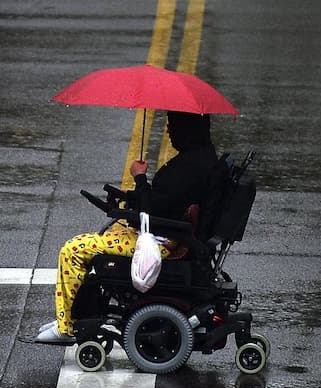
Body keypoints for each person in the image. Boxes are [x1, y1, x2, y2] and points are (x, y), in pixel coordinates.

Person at [30, 112, 219, 344]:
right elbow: (163, 201)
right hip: (171, 234)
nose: (168, 131)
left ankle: (65, 327)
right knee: (99, 239)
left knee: (73, 249)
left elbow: (153, 208)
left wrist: (139, 178)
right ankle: (69, 316)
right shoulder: (202, 159)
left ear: (186, 128)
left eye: (173, 125)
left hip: (164, 241)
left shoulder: (188, 168)